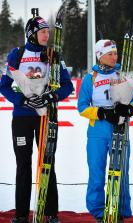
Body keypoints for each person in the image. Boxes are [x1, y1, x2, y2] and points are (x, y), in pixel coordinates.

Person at [0, 14, 73, 223]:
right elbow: (3, 85)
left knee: (47, 162)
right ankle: (21, 214)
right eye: (42, 31)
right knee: (23, 164)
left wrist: (53, 95)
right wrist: (19, 100)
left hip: (46, 116)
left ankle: (51, 213)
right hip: (22, 118)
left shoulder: (53, 55)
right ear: (32, 33)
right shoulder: (17, 54)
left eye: (48, 31)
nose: (46, 35)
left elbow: (68, 86)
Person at [77, 39, 133, 223]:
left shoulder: (122, 75)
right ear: (100, 55)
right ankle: (99, 212)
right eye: (110, 54)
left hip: (120, 128)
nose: (115, 57)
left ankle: (120, 210)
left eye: (115, 53)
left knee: (121, 171)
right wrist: (101, 113)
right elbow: (82, 107)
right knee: (96, 172)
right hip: (97, 130)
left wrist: (130, 109)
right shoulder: (90, 78)